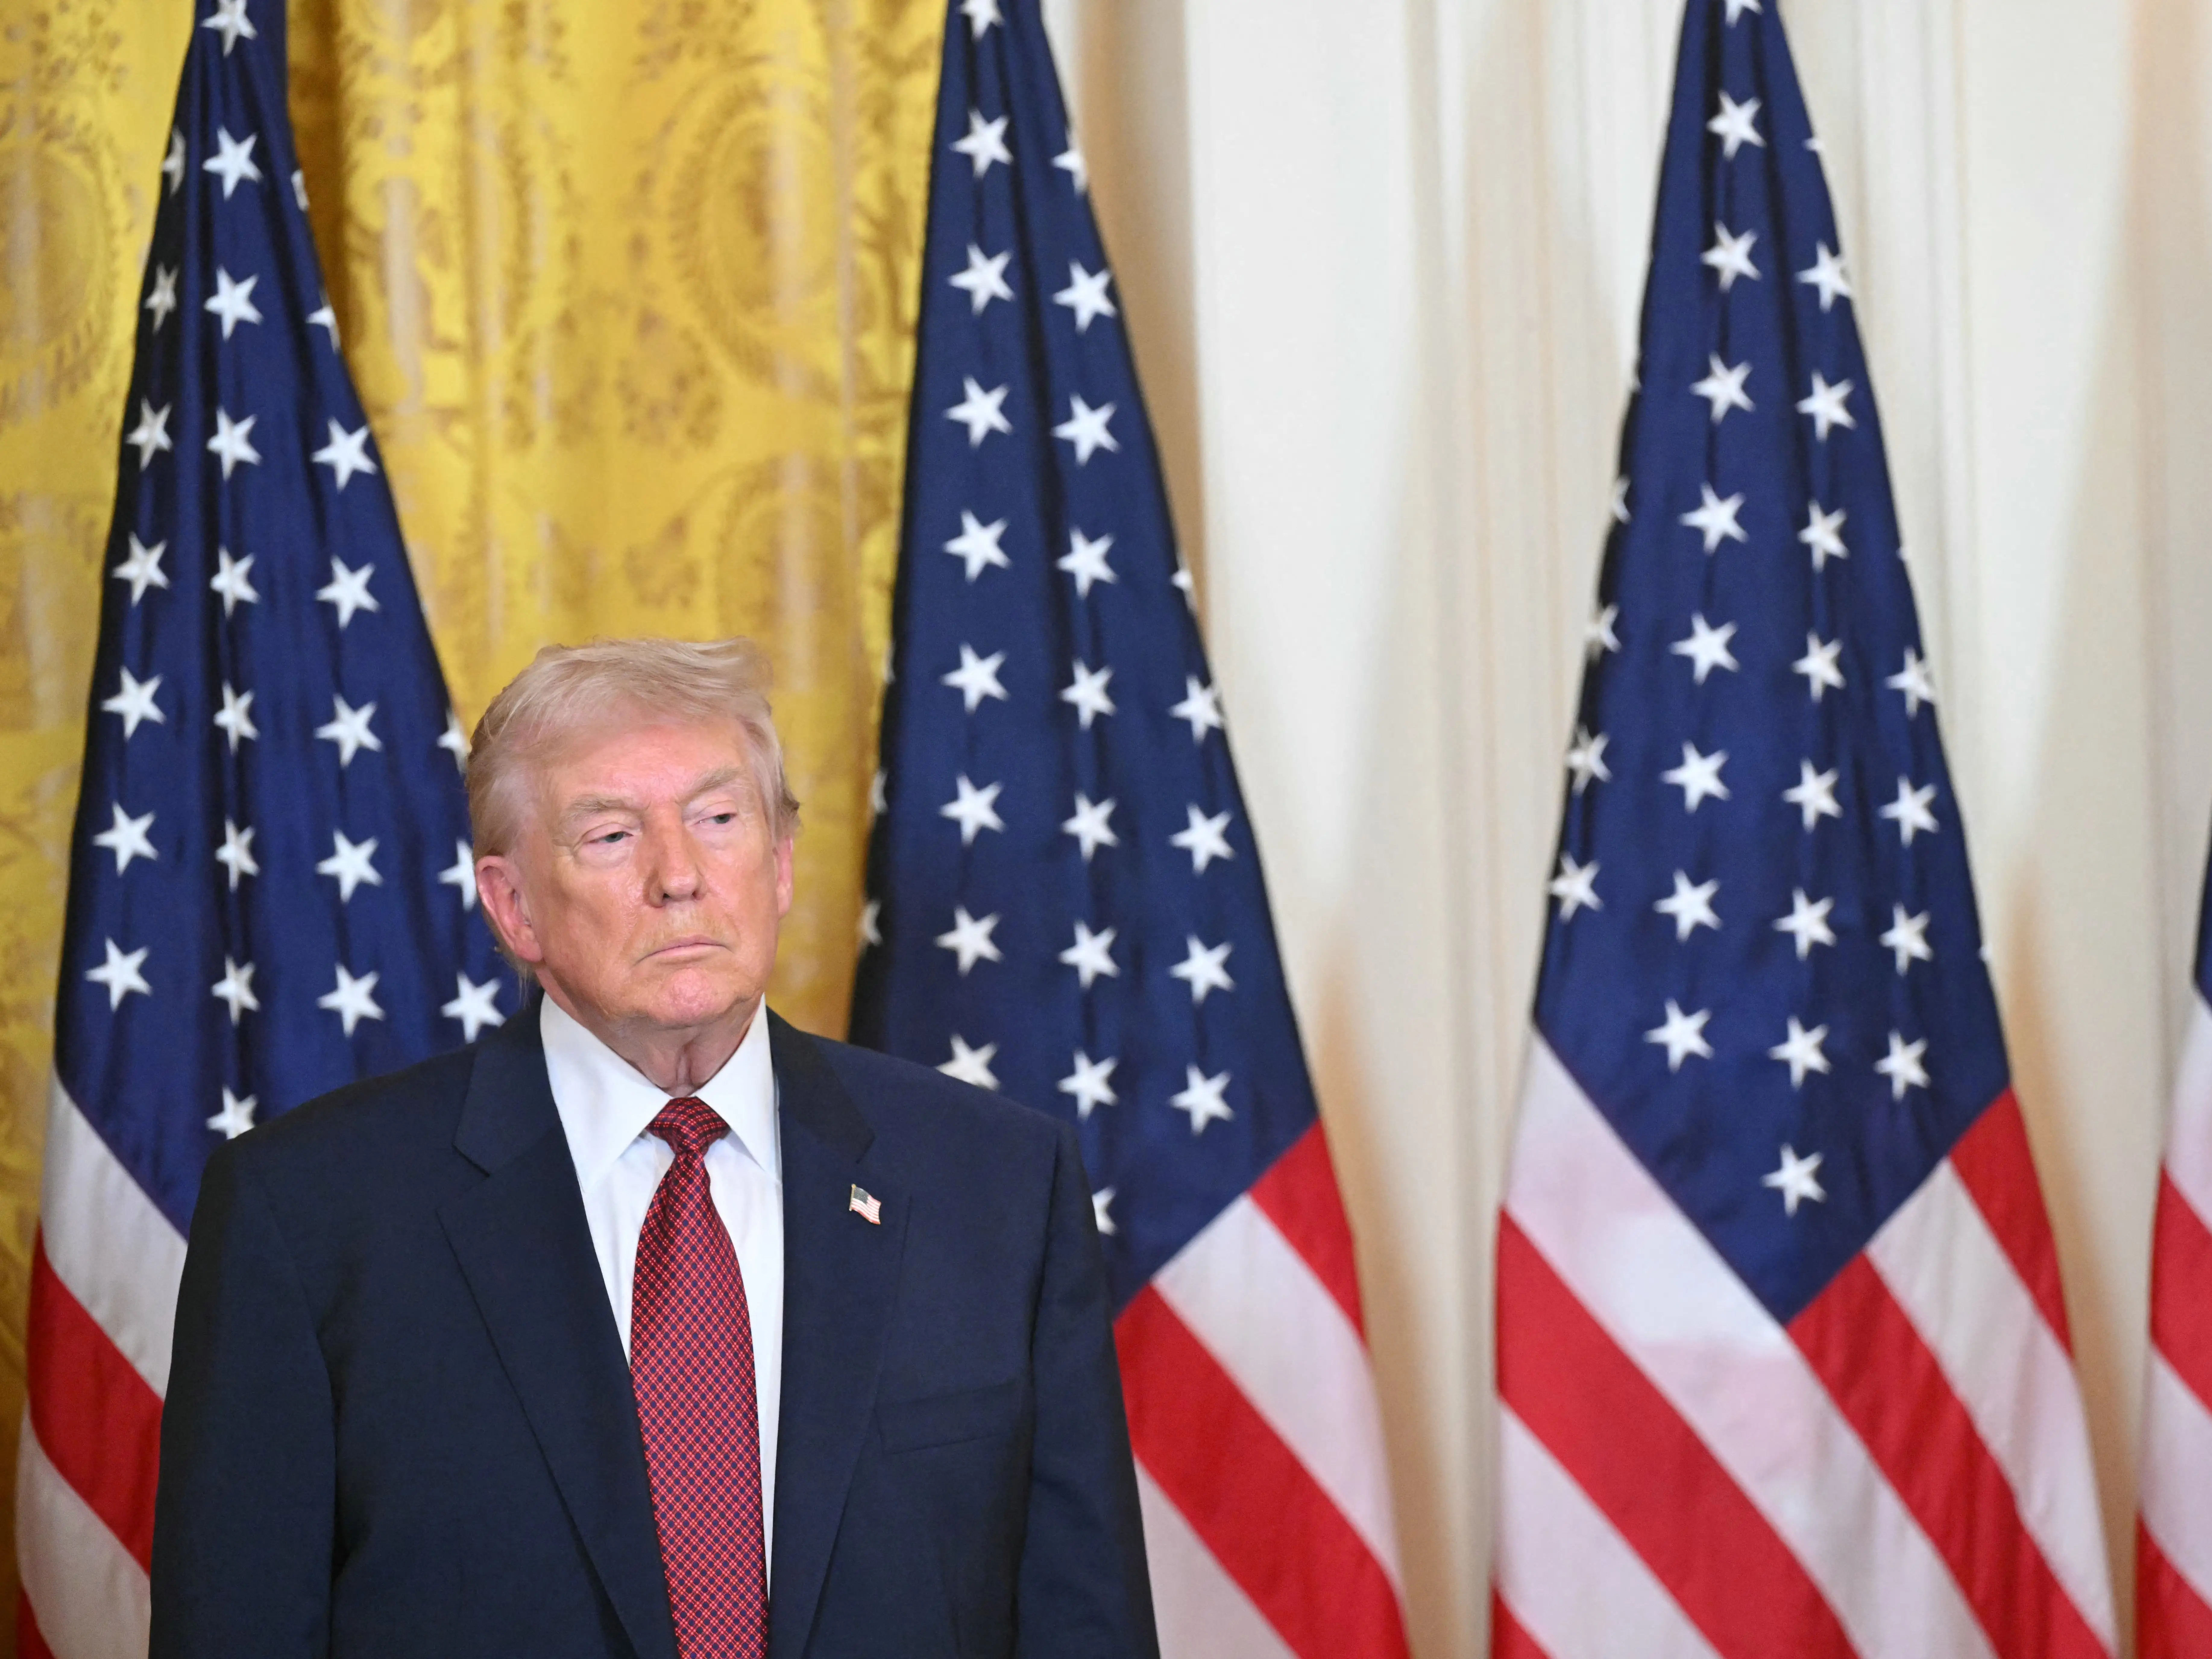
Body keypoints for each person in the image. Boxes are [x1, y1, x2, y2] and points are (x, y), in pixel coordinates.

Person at [149, 637, 1158, 1659]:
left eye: (720, 820)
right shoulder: (307, 1214)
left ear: (779, 864)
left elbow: (1088, 1624)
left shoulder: (997, 1186)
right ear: (512, 906)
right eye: (611, 835)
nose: (680, 876)